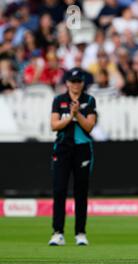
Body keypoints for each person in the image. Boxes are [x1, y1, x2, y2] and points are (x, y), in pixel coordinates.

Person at [48, 68, 97, 246]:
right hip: (62, 148)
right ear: (67, 82)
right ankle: (58, 232)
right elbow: (54, 125)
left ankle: (80, 233)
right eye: (73, 81)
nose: (76, 84)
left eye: (79, 81)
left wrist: (77, 114)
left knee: (81, 192)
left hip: (82, 149)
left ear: (83, 83)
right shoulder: (59, 100)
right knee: (59, 190)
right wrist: (70, 117)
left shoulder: (89, 100)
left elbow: (89, 126)